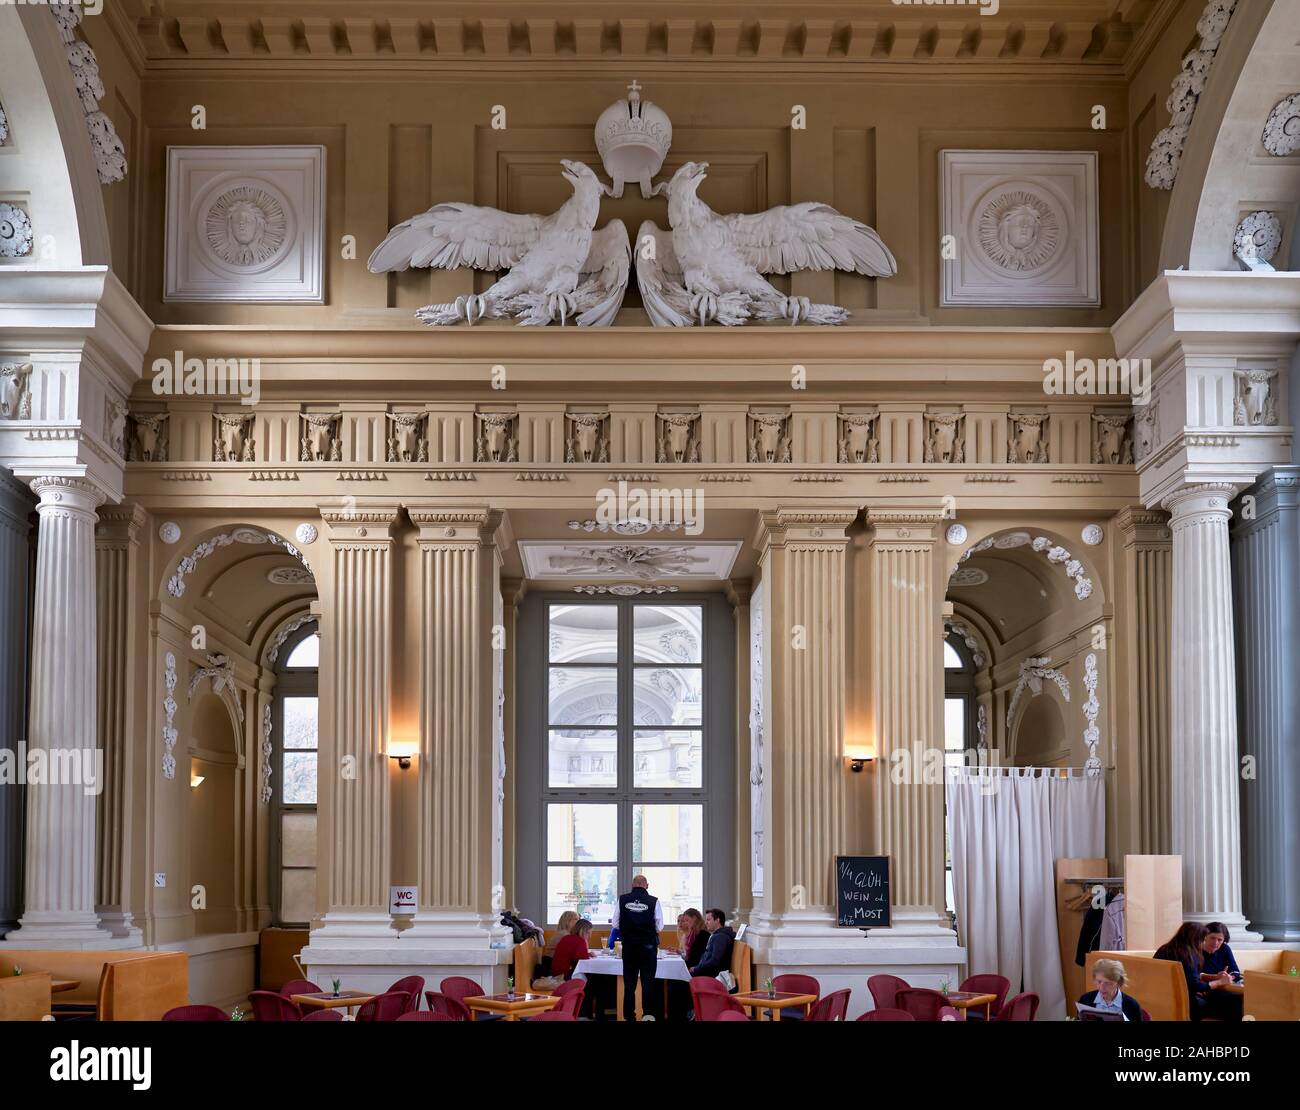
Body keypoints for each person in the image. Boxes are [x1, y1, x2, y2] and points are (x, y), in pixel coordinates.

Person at [1154, 922, 1241, 1021]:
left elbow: (1188, 977)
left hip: (1161, 997)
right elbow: (1195, 985)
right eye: (1203, 939)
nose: (1203, 943)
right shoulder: (1188, 954)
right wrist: (1220, 982)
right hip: (1185, 1002)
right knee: (1237, 1002)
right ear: (1195, 939)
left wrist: (1214, 978)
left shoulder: (1165, 949)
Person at [611, 875, 663, 1021]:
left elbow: (615, 924)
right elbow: (659, 926)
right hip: (648, 947)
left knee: (629, 984)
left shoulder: (622, 899)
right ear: (647, 885)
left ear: (632, 885)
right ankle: (647, 1017)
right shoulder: (654, 901)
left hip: (629, 946)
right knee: (648, 983)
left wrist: (630, 928)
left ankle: (629, 1017)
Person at [667, 909, 708, 1020]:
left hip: (698, 971)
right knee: (672, 980)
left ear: (694, 919)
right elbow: (691, 956)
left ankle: (680, 1015)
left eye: (687, 920)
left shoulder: (702, 935)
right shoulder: (694, 935)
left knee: (674, 983)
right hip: (693, 967)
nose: (685, 923)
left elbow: (695, 959)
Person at [1077, 958, 1143, 1021]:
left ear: (1118, 982)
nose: (1101, 987)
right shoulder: (1085, 999)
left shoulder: (1132, 1005)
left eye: (1107, 983)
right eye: (1099, 982)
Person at [691, 908, 736, 981]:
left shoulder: (720, 937)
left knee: (678, 981)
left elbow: (715, 961)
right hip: (705, 972)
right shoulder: (717, 935)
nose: (705, 923)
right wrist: (697, 967)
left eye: (708, 920)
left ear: (717, 920)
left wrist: (696, 969)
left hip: (712, 975)